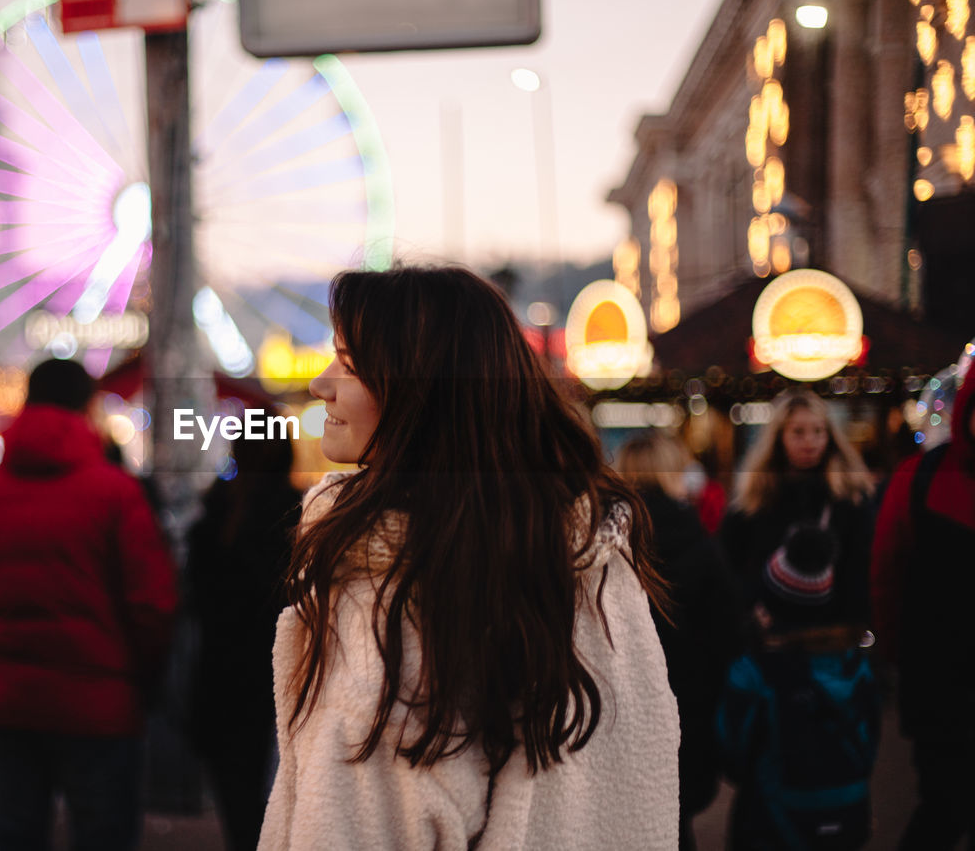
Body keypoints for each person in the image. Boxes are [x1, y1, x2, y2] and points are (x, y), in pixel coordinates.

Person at [258, 267, 681, 850]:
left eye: (349, 364)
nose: (321, 385)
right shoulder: (595, 563)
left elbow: (353, 824)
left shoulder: (386, 585)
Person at [0, 358, 178, 851]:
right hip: (102, 705)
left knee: (16, 833)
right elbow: (151, 604)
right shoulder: (117, 494)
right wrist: (140, 680)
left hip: (10, 699)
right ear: (87, 407)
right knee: (103, 835)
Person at [615, 432, 741, 850]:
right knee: (678, 816)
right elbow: (727, 629)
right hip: (688, 700)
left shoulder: (605, 540)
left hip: (620, 703)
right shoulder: (699, 539)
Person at [716, 533, 880, 850]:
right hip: (847, 817)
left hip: (771, 823)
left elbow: (731, 751)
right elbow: (870, 742)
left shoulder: (753, 673)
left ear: (770, 605)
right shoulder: (855, 666)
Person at [186, 421, 302, 851]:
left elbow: (198, 604)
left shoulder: (212, 518)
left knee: (240, 809)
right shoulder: (304, 519)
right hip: (286, 682)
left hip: (223, 682)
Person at [871, 368, 975, 849]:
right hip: (941, 683)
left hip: (934, 678)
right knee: (944, 803)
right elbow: (887, 574)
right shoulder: (919, 477)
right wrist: (894, 654)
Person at [719, 389, 876, 629]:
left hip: (833, 634)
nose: (810, 442)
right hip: (770, 635)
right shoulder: (756, 498)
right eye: (798, 432)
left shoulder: (850, 494)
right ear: (779, 437)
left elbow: (863, 566)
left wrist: (851, 619)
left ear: (830, 436)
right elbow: (729, 564)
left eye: (818, 431)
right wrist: (750, 607)